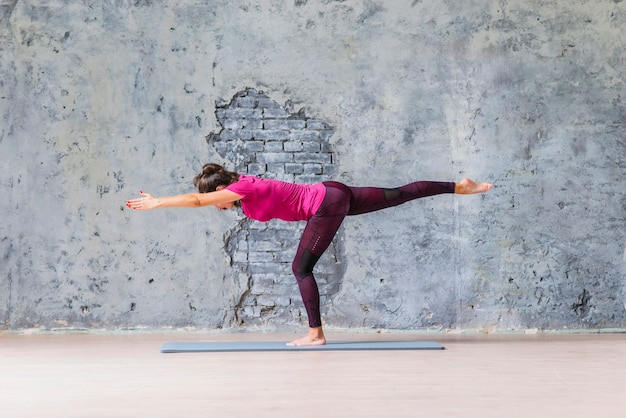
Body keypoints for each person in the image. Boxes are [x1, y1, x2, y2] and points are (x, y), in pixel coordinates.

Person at [127, 163, 493, 346]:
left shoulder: (240, 188)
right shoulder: (246, 188)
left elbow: (196, 199)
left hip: (325, 205)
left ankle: (315, 333)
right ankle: (458, 187)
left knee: (301, 269)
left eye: (216, 201)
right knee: (399, 193)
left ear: (221, 190)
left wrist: (158, 202)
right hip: (333, 192)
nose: (216, 207)